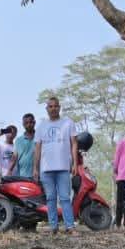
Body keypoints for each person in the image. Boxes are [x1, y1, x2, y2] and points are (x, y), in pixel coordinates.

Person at [33, 96, 78, 234]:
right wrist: (35, 168)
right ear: (47, 109)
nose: (53, 109)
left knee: (65, 198)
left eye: (55, 106)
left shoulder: (68, 123)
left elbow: (74, 143)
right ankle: (53, 227)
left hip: (63, 168)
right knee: (50, 198)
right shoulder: (41, 126)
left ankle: (70, 226)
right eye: (50, 106)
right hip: (46, 169)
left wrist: (75, 163)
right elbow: (38, 148)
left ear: (59, 107)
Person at [13, 113, 37, 179]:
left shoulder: (40, 137)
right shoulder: (18, 140)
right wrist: (9, 170)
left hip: (38, 175)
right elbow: (14, 158)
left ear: (34, 122)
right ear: (23, 124)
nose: (28, 125)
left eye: (30, 122)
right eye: (26, 123)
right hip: (22, 175)